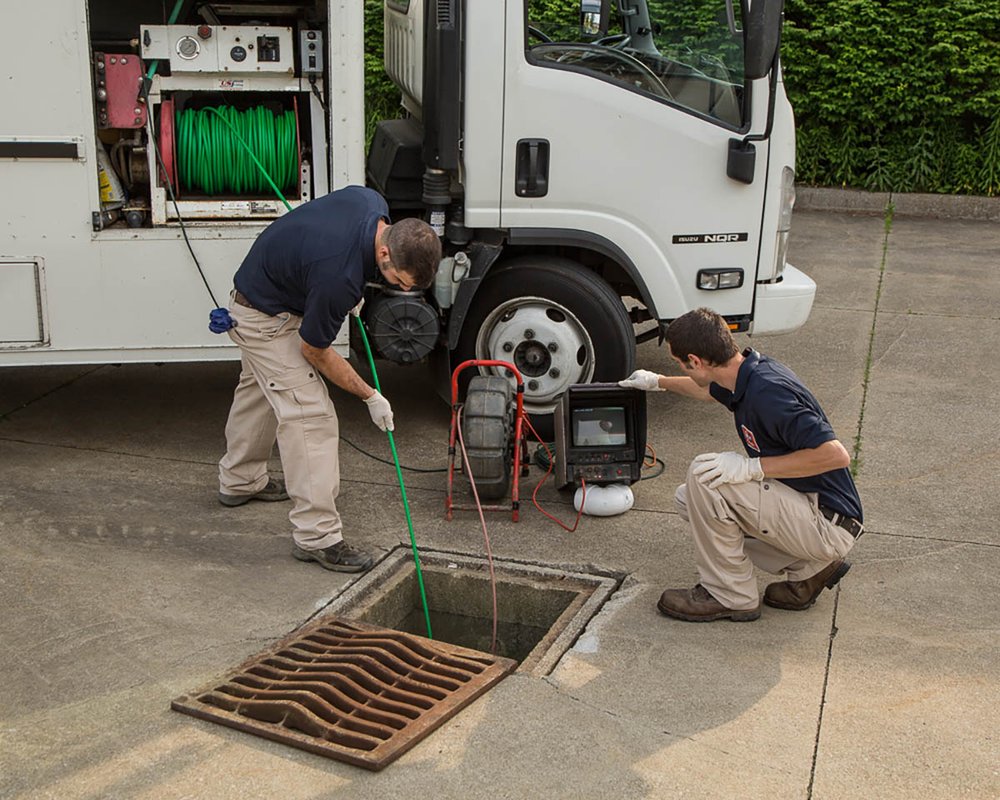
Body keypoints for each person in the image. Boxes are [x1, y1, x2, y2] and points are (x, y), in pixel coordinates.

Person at [217, 185, 441, 573]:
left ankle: (240, 480)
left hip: (266, 291)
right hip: (264, 319)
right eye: (399, 280)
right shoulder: (339, 278)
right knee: (310, 415)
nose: (401, 289)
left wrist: (340, 284)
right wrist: (370, 395)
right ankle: (317, 536)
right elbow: (315, 350)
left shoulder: (372, 203)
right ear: (385, 253)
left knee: (260, 390)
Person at [620, 308, 863, 622]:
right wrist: (656, 382)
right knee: (689, 498)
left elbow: (835, 455)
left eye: (680, 363)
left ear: (695, 361)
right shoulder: (744, 374)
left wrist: (753, 468)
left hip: (828, 524)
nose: (681, 368)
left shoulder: (770, 395)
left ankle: (730, 595)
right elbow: (706, 389)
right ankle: (810, 568)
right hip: (812, 510)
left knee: (703, 477)